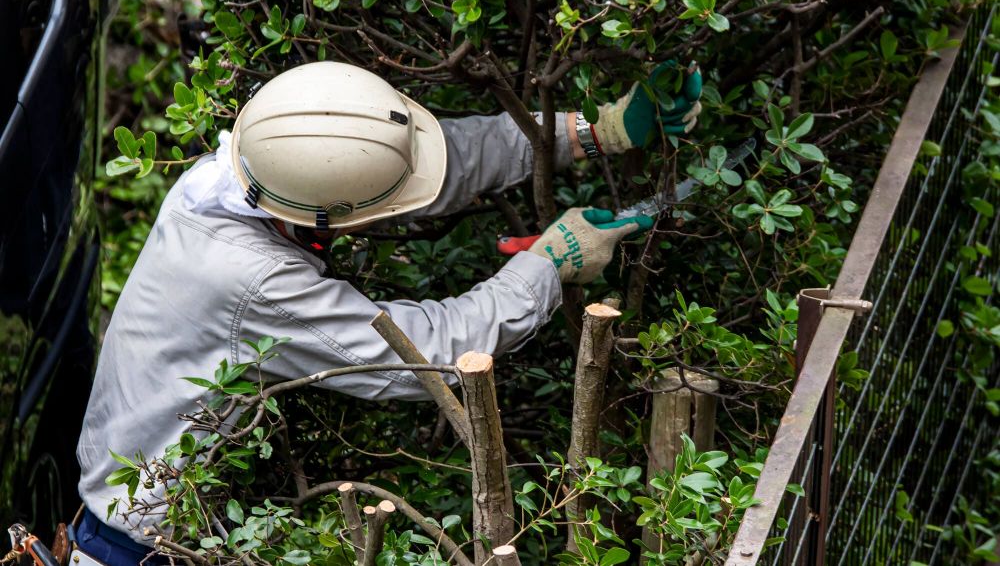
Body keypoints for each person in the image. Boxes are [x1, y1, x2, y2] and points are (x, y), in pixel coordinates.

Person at [74, 61, 702, 565]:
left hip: (144, 520)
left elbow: (416, 168)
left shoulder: (241, 172)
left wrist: (594, 130)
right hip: (139, 548)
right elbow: (424, 355)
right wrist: (547, 265)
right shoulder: (250, 277)